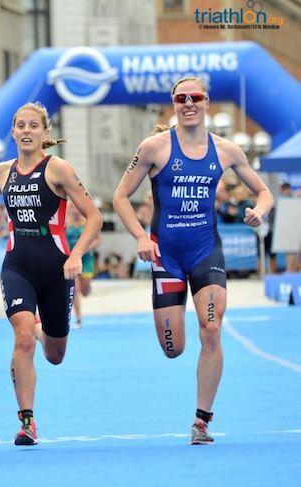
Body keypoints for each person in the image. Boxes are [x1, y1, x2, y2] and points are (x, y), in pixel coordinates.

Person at [113, 76, 274, 445]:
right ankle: (176, 319)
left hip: (205, 252)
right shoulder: (154, 148)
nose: (189, 103)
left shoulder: (227, 150)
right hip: (166, 256)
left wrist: (259, 212)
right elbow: (121, 197)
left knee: (212, 330)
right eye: (181, 98)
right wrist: (140, 236)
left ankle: (201, 421)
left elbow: (264, 192)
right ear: (173, 103)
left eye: (195, 97)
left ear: (206, 102)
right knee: (173, 349)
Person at [0, 101, 102, 446]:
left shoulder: (58, 170)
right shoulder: (3, 171)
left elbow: (94, 217)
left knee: (55, 356)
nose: (27, 131)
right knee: (22, 336)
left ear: (45, 133)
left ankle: (46, 331)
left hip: (57, 268)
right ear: (12, 131)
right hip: (18, 266)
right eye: (20, 126)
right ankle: (27, 421)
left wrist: (76, 255)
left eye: (33, 126)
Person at [65, 201, 101, 328]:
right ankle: (78, 317)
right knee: (74, 288)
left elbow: (97, 240)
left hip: (85, 260)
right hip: (70, 260)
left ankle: (86, 286)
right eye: (72, 207)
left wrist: (85, 249)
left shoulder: (87, 221)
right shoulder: (65, 221)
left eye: (76, 206)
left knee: (84, 291)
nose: (74, 210)